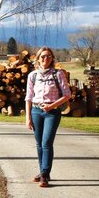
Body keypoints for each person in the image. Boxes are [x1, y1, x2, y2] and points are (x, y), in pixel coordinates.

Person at [25, 47, 71, 187]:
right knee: (39, 144)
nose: (46, 59)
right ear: (38, 59)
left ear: (52, 59)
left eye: (49, 56)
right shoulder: (33, 76)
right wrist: (27, 118)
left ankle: (45, 174)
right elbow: (29, 97)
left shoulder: (58, 74)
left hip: (52, 113)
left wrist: (51, 106)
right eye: (43, 56)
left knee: (46, 143)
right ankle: (43, 172)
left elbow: (67, 95)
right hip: (36, 111)